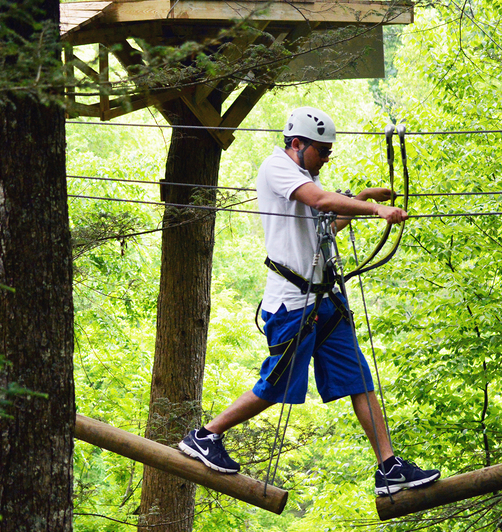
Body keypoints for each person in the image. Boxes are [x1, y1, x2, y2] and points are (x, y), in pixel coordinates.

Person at [179, 106, 441, 496]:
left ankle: (388, 466)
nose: (325, 159)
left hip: (323, 303)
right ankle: (205, 436)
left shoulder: (301, 175)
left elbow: (324, 223)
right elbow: (321, 202)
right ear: (297, 144)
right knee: (276, 385)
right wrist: (375, 207)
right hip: (292, 305)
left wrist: (362, 199)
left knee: (359, 379)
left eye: (328, 153)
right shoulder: (277, 168)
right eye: (321, 151)